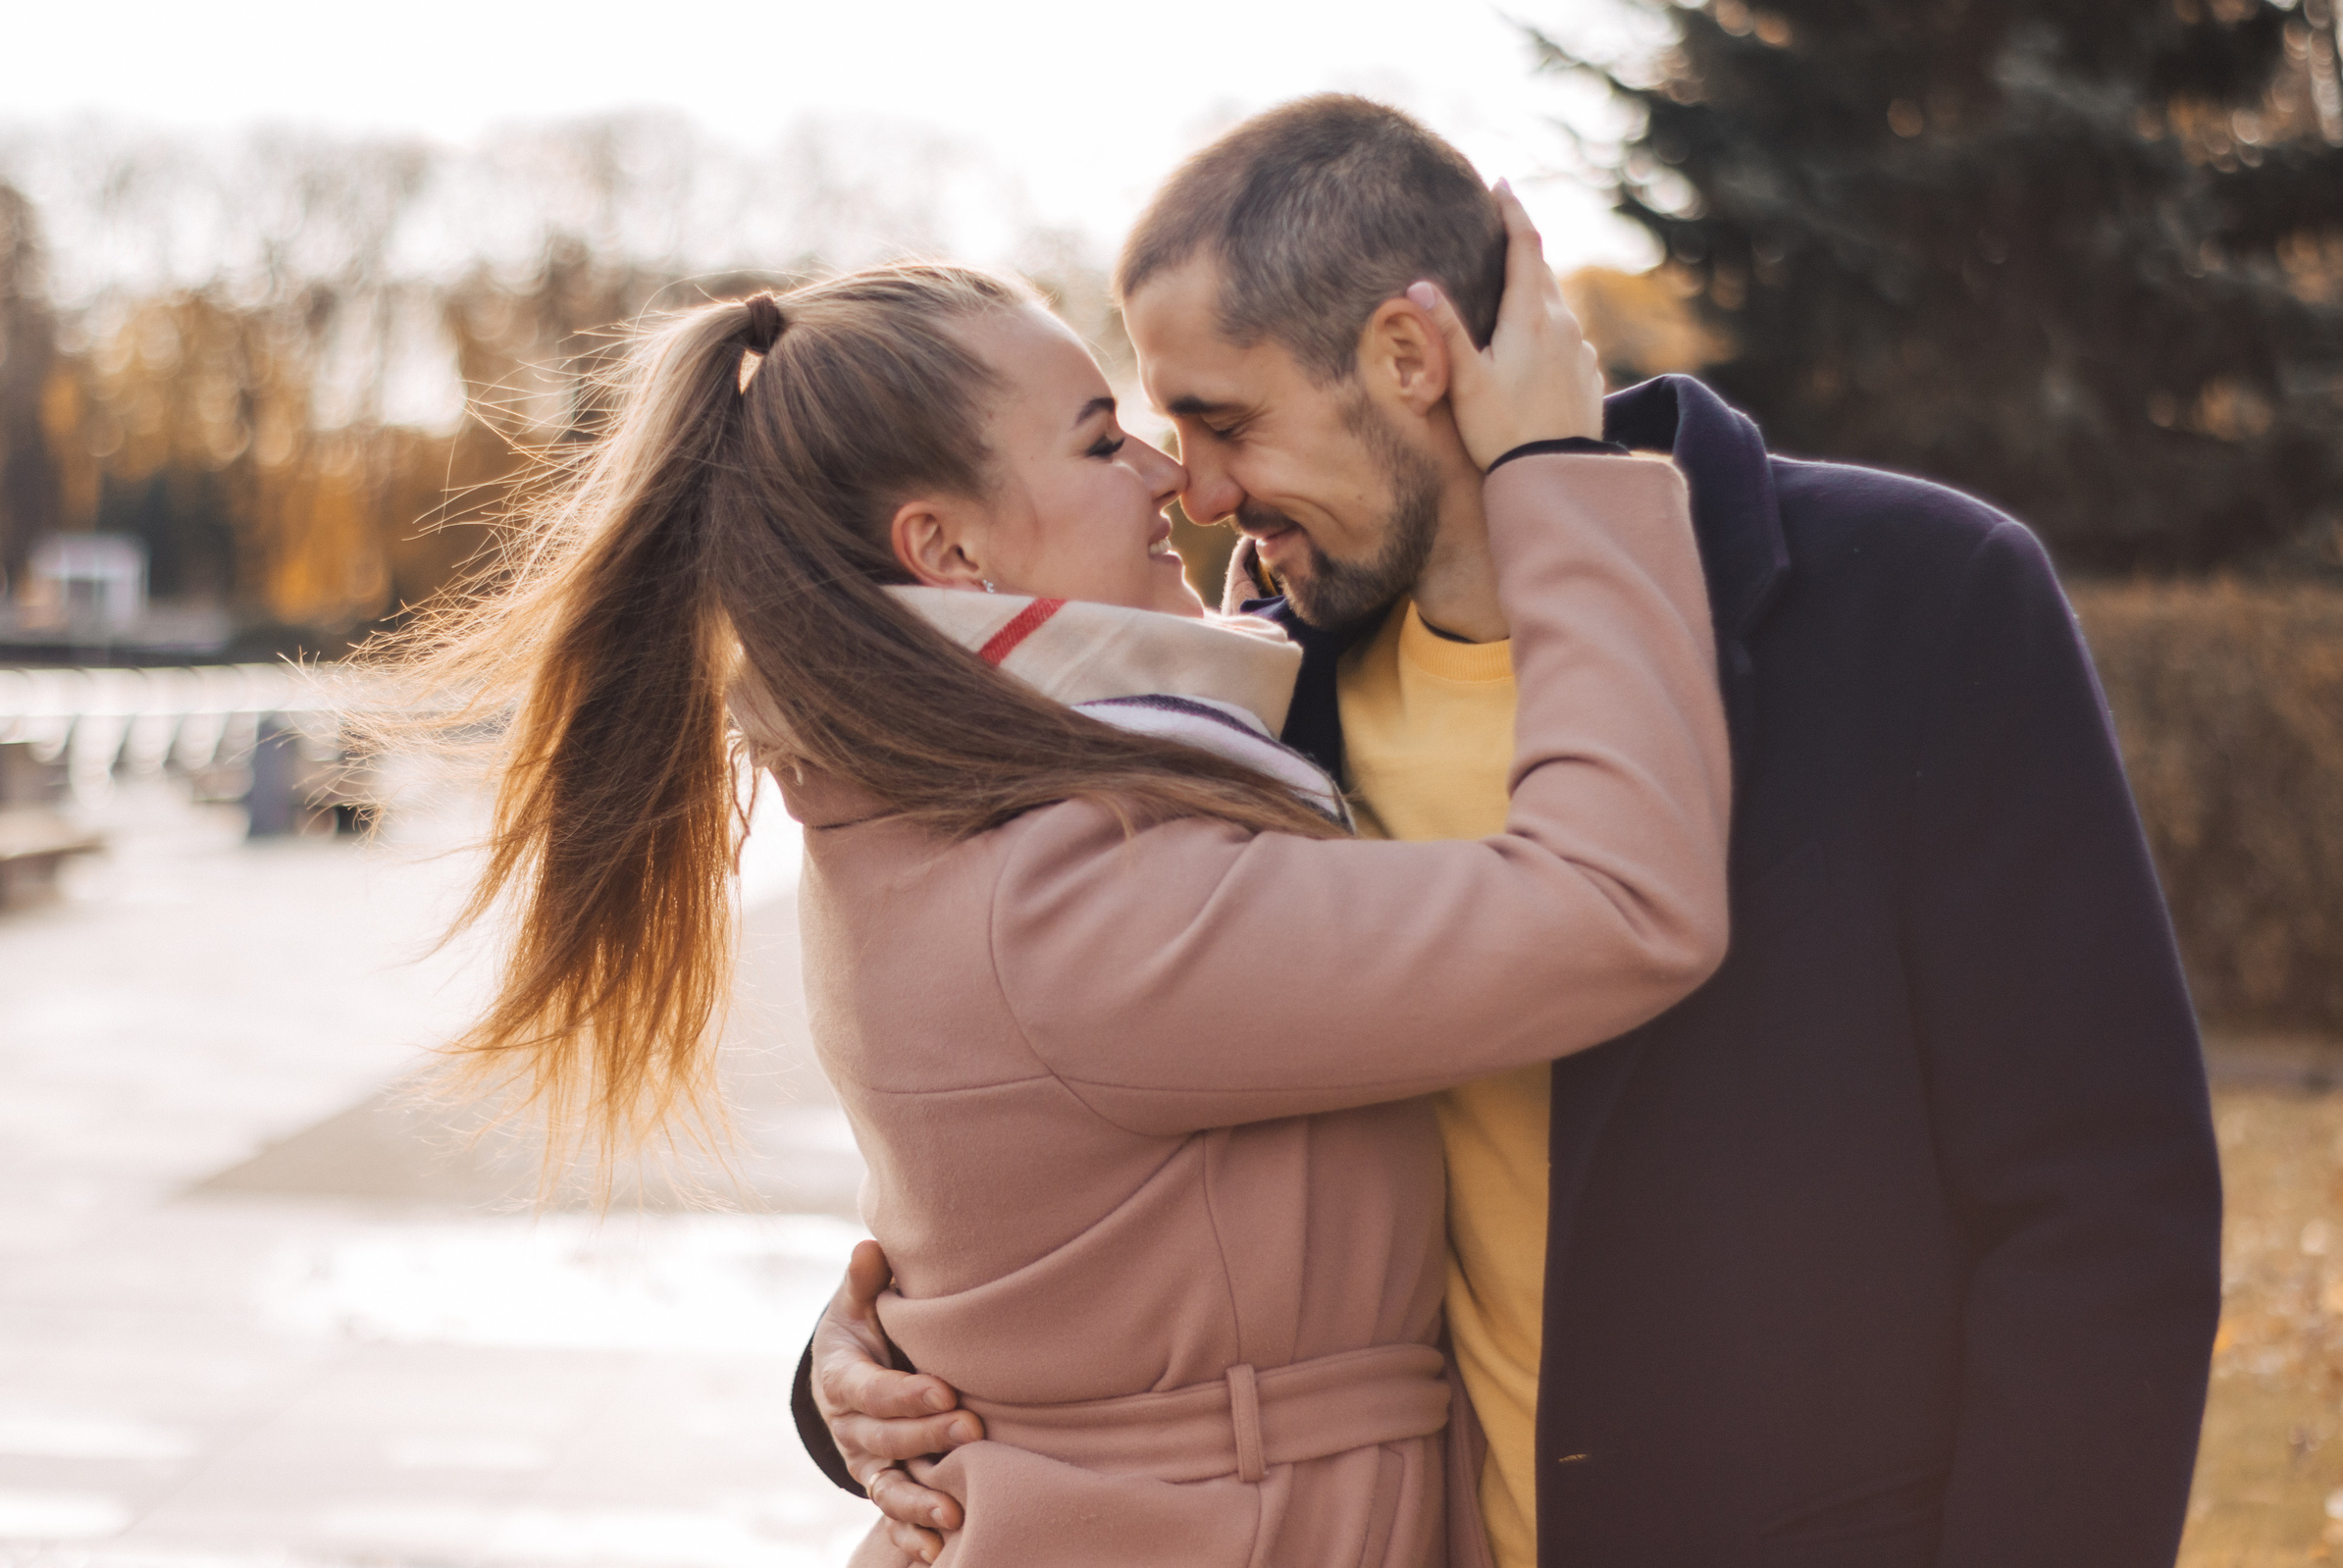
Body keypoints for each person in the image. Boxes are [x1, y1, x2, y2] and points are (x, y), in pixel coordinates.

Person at [803, 96, 2224, 1568]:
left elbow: (2102, 1215)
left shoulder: (1915, 598)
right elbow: (1068, 1144)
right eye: (1159, 433)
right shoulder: (1257, 709)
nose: (1204, 493)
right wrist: (854, 1370)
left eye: (1225, 422)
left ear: (1408, 361)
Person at [369, 234, 1732, 1567]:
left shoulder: (935, 814)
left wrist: (860, 1354)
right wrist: (1566, 478)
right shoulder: (1070, 898)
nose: (1165, 476)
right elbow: (1617, 906)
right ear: (949, 554)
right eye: (1098, 440)